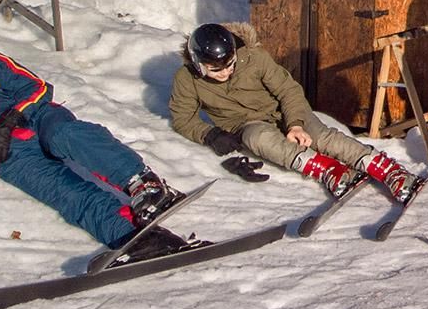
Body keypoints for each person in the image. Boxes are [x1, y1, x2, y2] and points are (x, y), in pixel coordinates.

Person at [0, 18, 189, 260]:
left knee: (69, 135)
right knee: (65, 193)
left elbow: (37, 87)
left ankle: (144, 184)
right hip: (6, 156)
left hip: (38, 120)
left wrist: (8, 121)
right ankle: (136, 238)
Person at [169, 23, 414, 201]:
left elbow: (287, 90)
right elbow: (183, 118)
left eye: (229, 65)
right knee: (259, 139)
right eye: (215, 70)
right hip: (247, 124)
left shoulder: (254, 58)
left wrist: (295, 123)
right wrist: (209, 134)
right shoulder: (187, 79)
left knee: (320, 136)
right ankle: (328, 169)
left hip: (283, 110)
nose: (225, 73)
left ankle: (387, 168)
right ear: (199, 64)